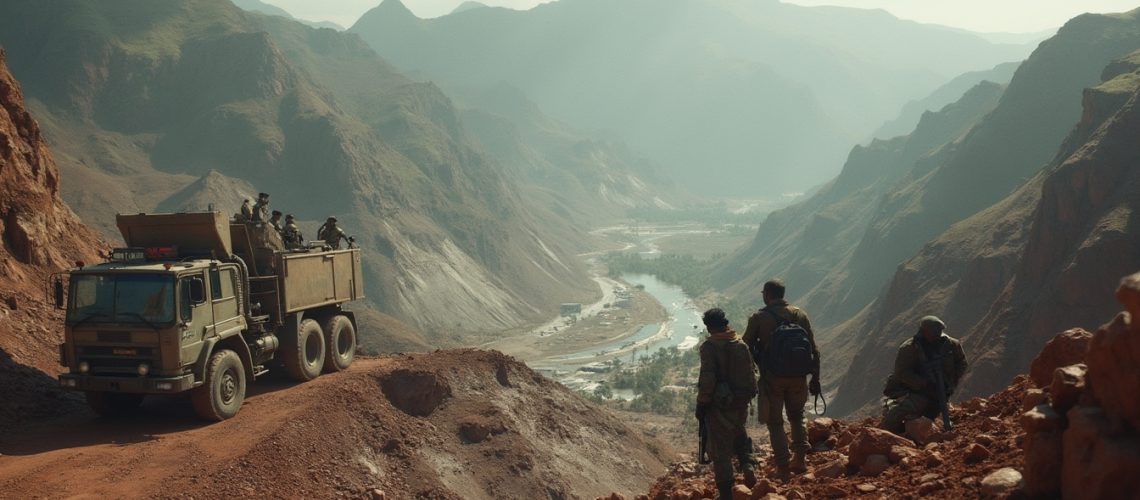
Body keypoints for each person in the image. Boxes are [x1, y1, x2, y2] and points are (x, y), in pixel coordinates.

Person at [742, 278, 820, 481]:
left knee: (775, 422)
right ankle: (800, 458)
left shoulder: (759, 318)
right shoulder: (800, 314)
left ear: (767, 295)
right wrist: (815, 378)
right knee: (797, 415)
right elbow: (813, 348)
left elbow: (744, 349)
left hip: (772, 379)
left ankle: (783, 468)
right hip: (798, 377)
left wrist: (750, 375)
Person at [696, 308, 759, 498]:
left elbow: (708, 379)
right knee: (739, 431)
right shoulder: (740, 343)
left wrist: (702, 403)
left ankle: (726, 493)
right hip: (741, 402)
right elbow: (752, 374)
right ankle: (748, 464)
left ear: (709, 327)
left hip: (719, 405)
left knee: (720, 449)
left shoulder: (709, 347)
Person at [879, 316, 968, 435]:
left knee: (930, 415)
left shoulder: (951, 344)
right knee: (896, 416)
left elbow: (962, 363)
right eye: (934, 332)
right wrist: (923, 383)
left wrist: (950, 383)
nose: (937, 335)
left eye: (939, 332)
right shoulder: (910, 348)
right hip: (916, 391)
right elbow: (902, 373)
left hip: (941, 391)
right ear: (924, 331)